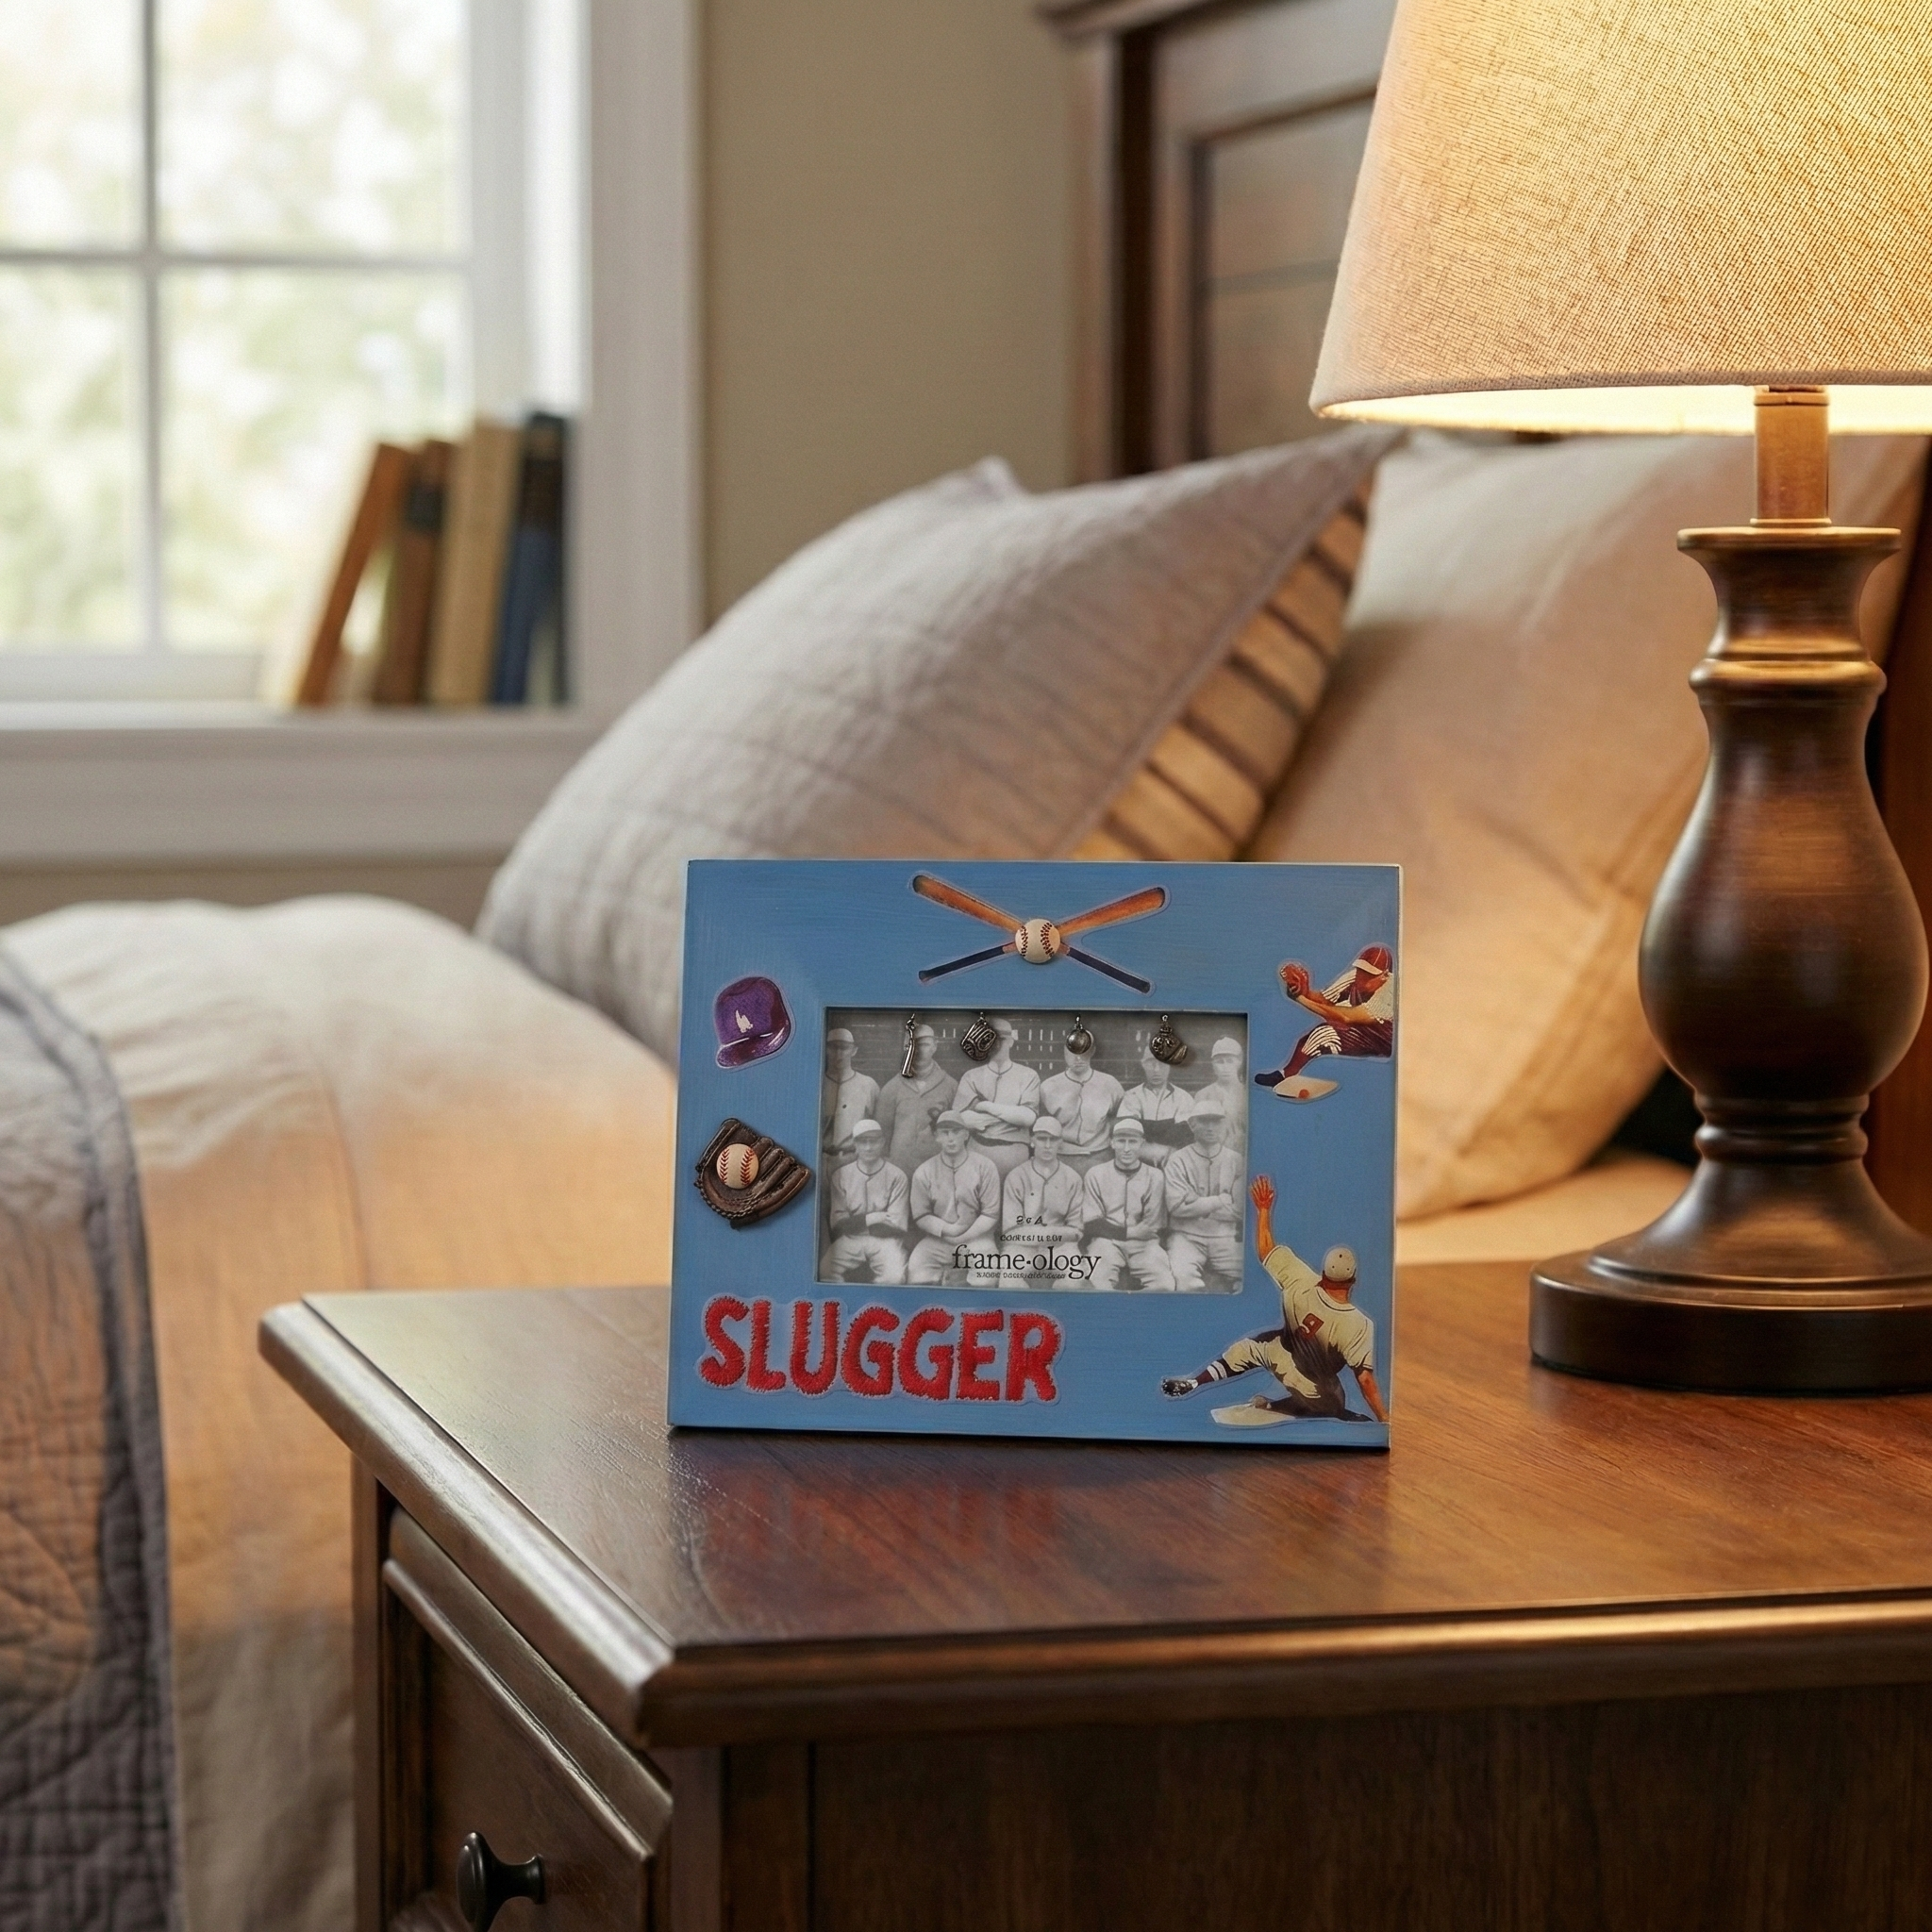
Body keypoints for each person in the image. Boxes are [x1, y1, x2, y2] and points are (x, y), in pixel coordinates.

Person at [1161, 1175, 1387, 1421]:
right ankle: (1274, 1407)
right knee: (1333, 1401)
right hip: (1309, 1381)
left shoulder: (1302, 1280)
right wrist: (1384, 1416)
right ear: (1352, 1280)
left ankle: (1195, 1382)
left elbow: (1266, 1249)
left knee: (1247, 1350)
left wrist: (1264, 1210)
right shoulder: (1358, 1324)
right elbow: (1364, 1379)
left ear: (1324, 1274)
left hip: (1276, 1352)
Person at [1254, 944, 1395, 1089]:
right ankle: (1286, 1076)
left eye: (1369, 974)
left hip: (1385, 1042)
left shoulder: (1390, 991)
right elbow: (1324, 999)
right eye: (1361, 970)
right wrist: (1303, 991)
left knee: (1341, 1013)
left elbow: (1347, 1017)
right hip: (1363, 1033)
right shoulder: (1354, 976)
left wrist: (1300, 999)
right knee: (1322, 1033)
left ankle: (1346, 1083)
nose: (1361, 976)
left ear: (1384, 976)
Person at [907, 1111, 1003, 1285]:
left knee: (987, 1276)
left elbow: (991, 1214)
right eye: (945, 1132)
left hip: (977, 1238)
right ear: (936, 1136)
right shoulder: (924, 1171)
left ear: (966, 1134)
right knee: (917, 1269)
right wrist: (947, 1230)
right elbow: (921, 1214)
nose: (951, 1138)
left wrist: (963, 1236)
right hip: (939, 1239)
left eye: (956, 1131)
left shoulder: (985, 1166)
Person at [1082, 1116, 1174, 1291]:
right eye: (1121, 1141)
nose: (1126, 1148)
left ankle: (1134, 1313)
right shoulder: (1095, 1174)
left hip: (1144, 1244)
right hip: (1106, 1242)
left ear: (1142, 1143)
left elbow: (1151, 1227)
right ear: (1112, 1143)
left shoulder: (1155, 1176)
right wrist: (1128, 1232)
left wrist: (1128, 1232)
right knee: (1096, 1284)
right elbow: (1091, 1223)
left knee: (1165, 1286)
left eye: (1132, 1142)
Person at [1163, 1093, 1243, 1292]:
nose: (1210, 1127)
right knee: (1184, 1281)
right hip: (1186, 1238)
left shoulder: (1236, 1160)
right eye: (1204, 1121)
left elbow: (1241, 1211)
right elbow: (1177, 1209)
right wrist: (1220, 1200)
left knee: (1251, 1280)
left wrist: (1197, 1205)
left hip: (1226, 1237)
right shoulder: (1178, 1160)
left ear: (1224, 1124)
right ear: (1192, 1125)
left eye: (1216, 1121)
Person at [821, 1119, 909, 1283]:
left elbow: (897, 1226)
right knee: (825, 1272)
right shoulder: (841, 1175)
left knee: (894, 1277)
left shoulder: (897, 1175)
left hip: (886, 1241)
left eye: (874, 1141)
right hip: (850, 1239)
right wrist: (873, 1218)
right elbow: (839, 1224)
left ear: (882, 1142)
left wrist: (855, 1222)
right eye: (863, 1141)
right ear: (855, 1144)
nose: (868, 1147)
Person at [1002, 1116, 1087, 1281]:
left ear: (1060, 1142)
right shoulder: (1017, 1176)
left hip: (1061, 1247)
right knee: (1009, 1278)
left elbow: (1077, 1231)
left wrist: (1050, 1236)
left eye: (1053, 1140)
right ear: (1032, 1140)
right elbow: (1011, 1232)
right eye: (1042, 1139)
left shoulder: (1072, 1177)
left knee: (1076, 1279)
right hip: (1021, 1247)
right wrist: (1056, 1233)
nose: (1047, 1145)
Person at [953, 1017, 1041, 1176]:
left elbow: (1028, 1117)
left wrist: (983, 1106)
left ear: (1011, 1041)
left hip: (1014, 1153)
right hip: (977, 1151)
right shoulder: (971, 1076)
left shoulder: (1028, 1075)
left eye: (1001, 1039)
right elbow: (960, 1119)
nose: (995, 1045)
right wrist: (1011, 1116)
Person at [876, 1023, 958, 1178]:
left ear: (935, 1046)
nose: (919, 1051)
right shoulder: (891, 1087)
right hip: (900, 1170)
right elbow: (882, 1134)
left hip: (938, 1170)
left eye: (925, 1045)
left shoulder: (951, 1086)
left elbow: (959, 1132)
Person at [1037, 1031, 1124, 1173]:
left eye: (1084, 1051)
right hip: (1060, 1158)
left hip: (1100, 1157)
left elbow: (1119, 1121)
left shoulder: (1110, 1084)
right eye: (1072, 1051)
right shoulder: (1048, 1086)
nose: (1078, 1058)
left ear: (1092, 1051)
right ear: (1064, 1052)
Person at [1118, 1042, 1194, 1169]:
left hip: (1174, 1163)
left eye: (1162, 1063)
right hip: (1138, 1163)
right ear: (1143, 1064)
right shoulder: (1132, 1096)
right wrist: (1156, 1152)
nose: (1156, 1070)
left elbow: (1186, 1139)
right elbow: (1128, 1135)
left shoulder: (1183, 1098)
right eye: (1151, 1064)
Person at [821, 1026, 880, 1164]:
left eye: (844, 1048)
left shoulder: (868, 1085)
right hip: (821, 1159)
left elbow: (878, 1126)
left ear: (853, 1051)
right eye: (833, 1047)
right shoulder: (817, 1083)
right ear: (826, 1049)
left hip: (855, 1159)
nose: (838, 1053)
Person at [1207, 1036, 1249, 1161]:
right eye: (1220, 1062)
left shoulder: (1247, 1093)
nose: (1225, 1067)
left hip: (1245, 1157)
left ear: (1239, 1061)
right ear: (1213, 1064)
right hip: (1214, 1158)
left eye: (1230, 1061)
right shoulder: (1204, 1095)